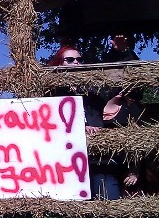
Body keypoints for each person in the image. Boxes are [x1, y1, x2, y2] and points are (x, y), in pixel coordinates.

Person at [48, 44, 121, 199]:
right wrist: (80, 128)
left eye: (79, 59)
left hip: (99, 159)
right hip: (68, 161)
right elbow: (50, 124)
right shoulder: (52, 93)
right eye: (70, 60)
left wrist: (121, 51)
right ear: (59, 63)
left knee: (109, 203)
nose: (76, 62)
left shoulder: (94, 90)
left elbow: (120, 81)